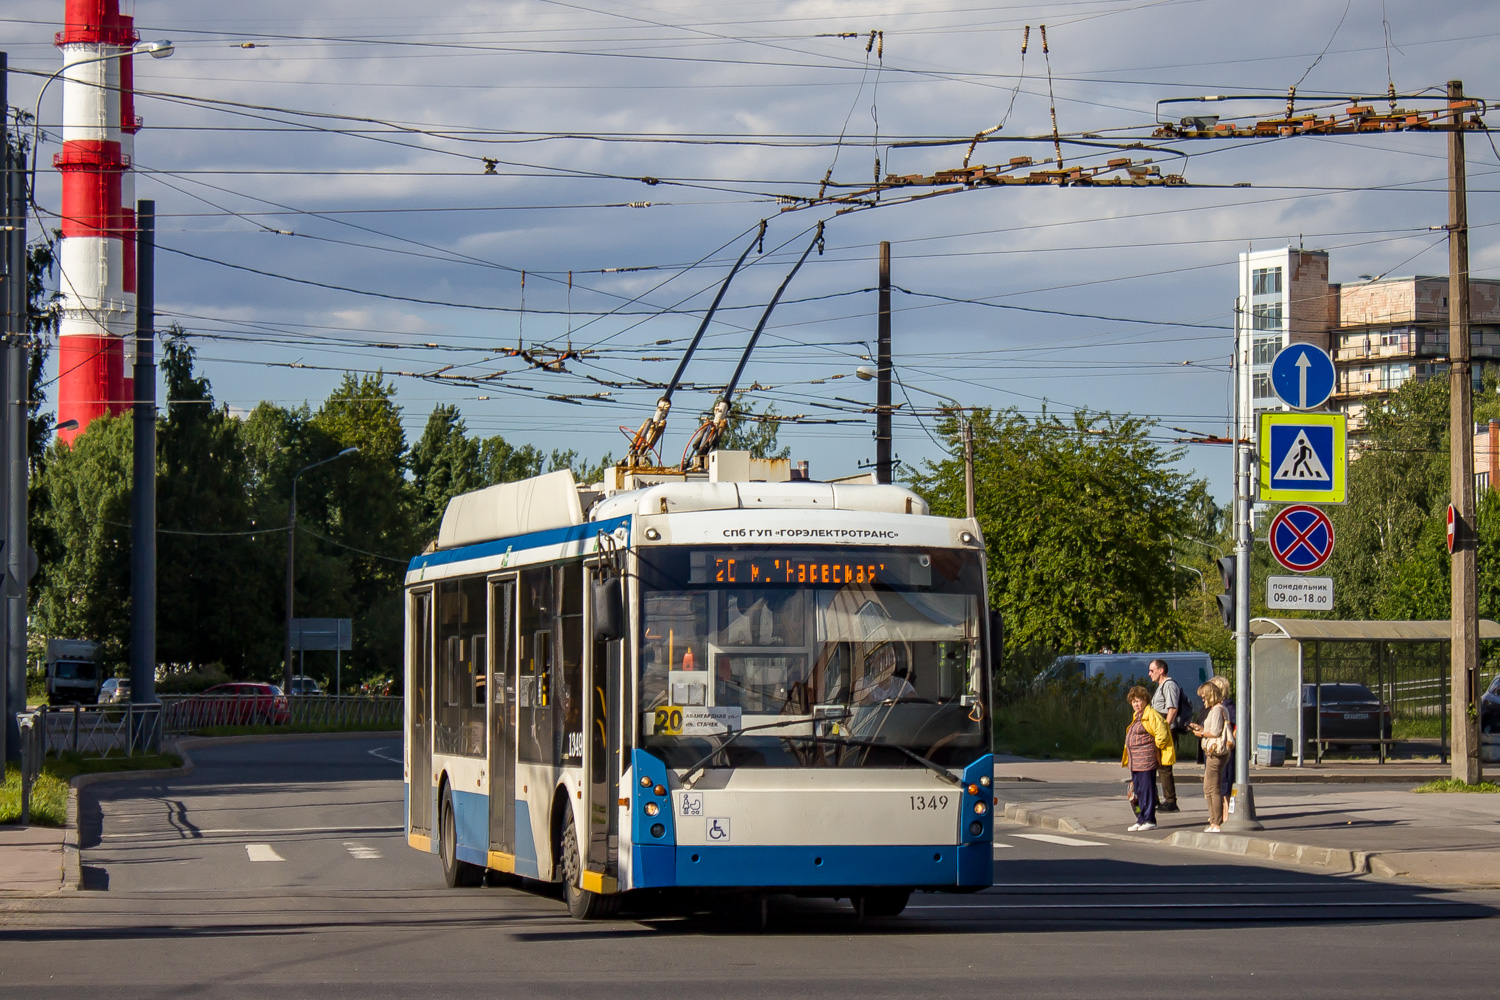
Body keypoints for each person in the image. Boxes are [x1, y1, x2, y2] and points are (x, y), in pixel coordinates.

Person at [1121, 685, 1174, 831]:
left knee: (1147, 789)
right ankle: (1141, 818)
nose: (1136, 704)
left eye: (1138, 700)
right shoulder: (1137, 716)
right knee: (1138, 791)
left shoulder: (1152, 715)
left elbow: (1162, 735)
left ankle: (1150, 819)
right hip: (1135, 761)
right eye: (1133, 701)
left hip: (1146, 759)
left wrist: (1153, 749)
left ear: (1146, 700)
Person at [1188, 681, 1231, 832]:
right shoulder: (1217, 709)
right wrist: (1200, 728)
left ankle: (1216, 822)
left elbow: (1215, 732)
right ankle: (1213, 820)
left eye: (1204, 696)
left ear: (1210, 695)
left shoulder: (1217, 710)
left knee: (1213, 788)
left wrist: (1200, 733)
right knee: (1208, 787)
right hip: (1213, 751)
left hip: (1215, 752)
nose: (1202, 699)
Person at [1147, 659, 1184, 813]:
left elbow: (1172, 709)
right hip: (1158, 730)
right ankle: (1155, 798)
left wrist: (1165, 729)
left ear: (1161, 670)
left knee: (1164, 766)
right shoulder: (1161, 686)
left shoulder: (1169, 685)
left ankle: (1170, 801)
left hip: (1164, 730)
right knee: (1155, 764)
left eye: (1152, 670)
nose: (1149, 674)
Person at [1209, 674, 1235, 805]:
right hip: (1216, 749)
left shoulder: (1227, 708)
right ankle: (1219, 811)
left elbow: (1235, 728)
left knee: (1224, 782)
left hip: (1224, 750)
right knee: (1217, 782)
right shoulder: (1215, 707)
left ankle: (1226, 811)